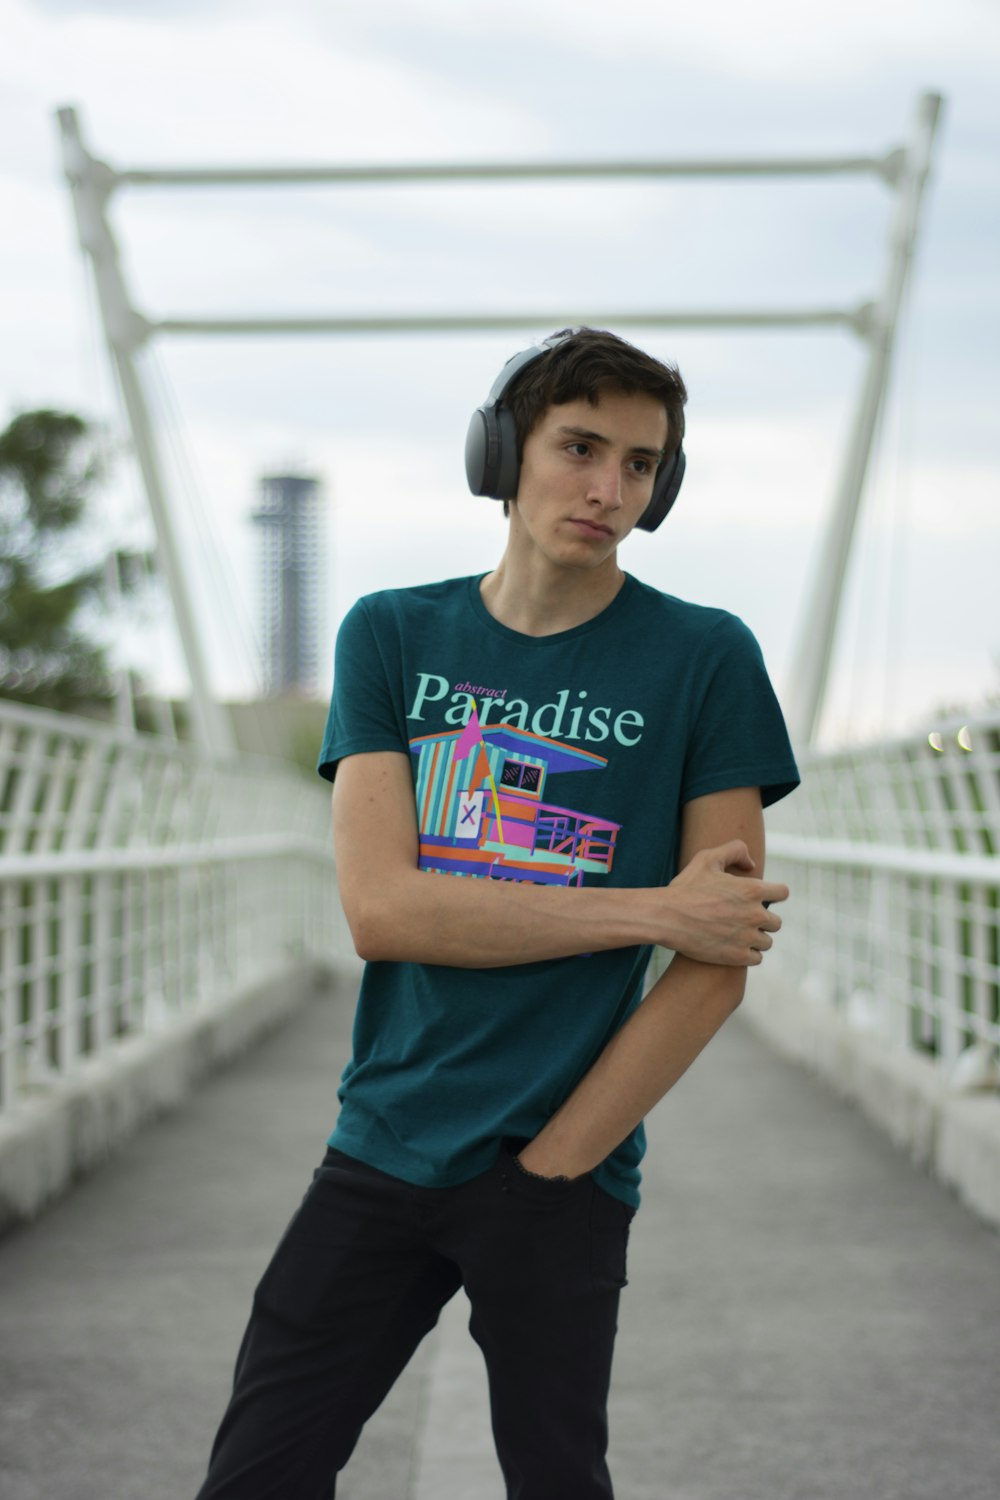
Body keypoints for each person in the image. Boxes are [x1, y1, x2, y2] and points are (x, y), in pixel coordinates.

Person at [194, 327, 799, 1499]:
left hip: (563, 1168)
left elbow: (717, 956)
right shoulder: (393, 632)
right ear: (501, 454)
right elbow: (385, 912)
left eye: (639, 464)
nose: (607, 489)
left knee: (556, 1480)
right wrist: (643, 912)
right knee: (258, 1473)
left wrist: (556, 1162)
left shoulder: (704, 657)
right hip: (384, 1142)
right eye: (580, 448)